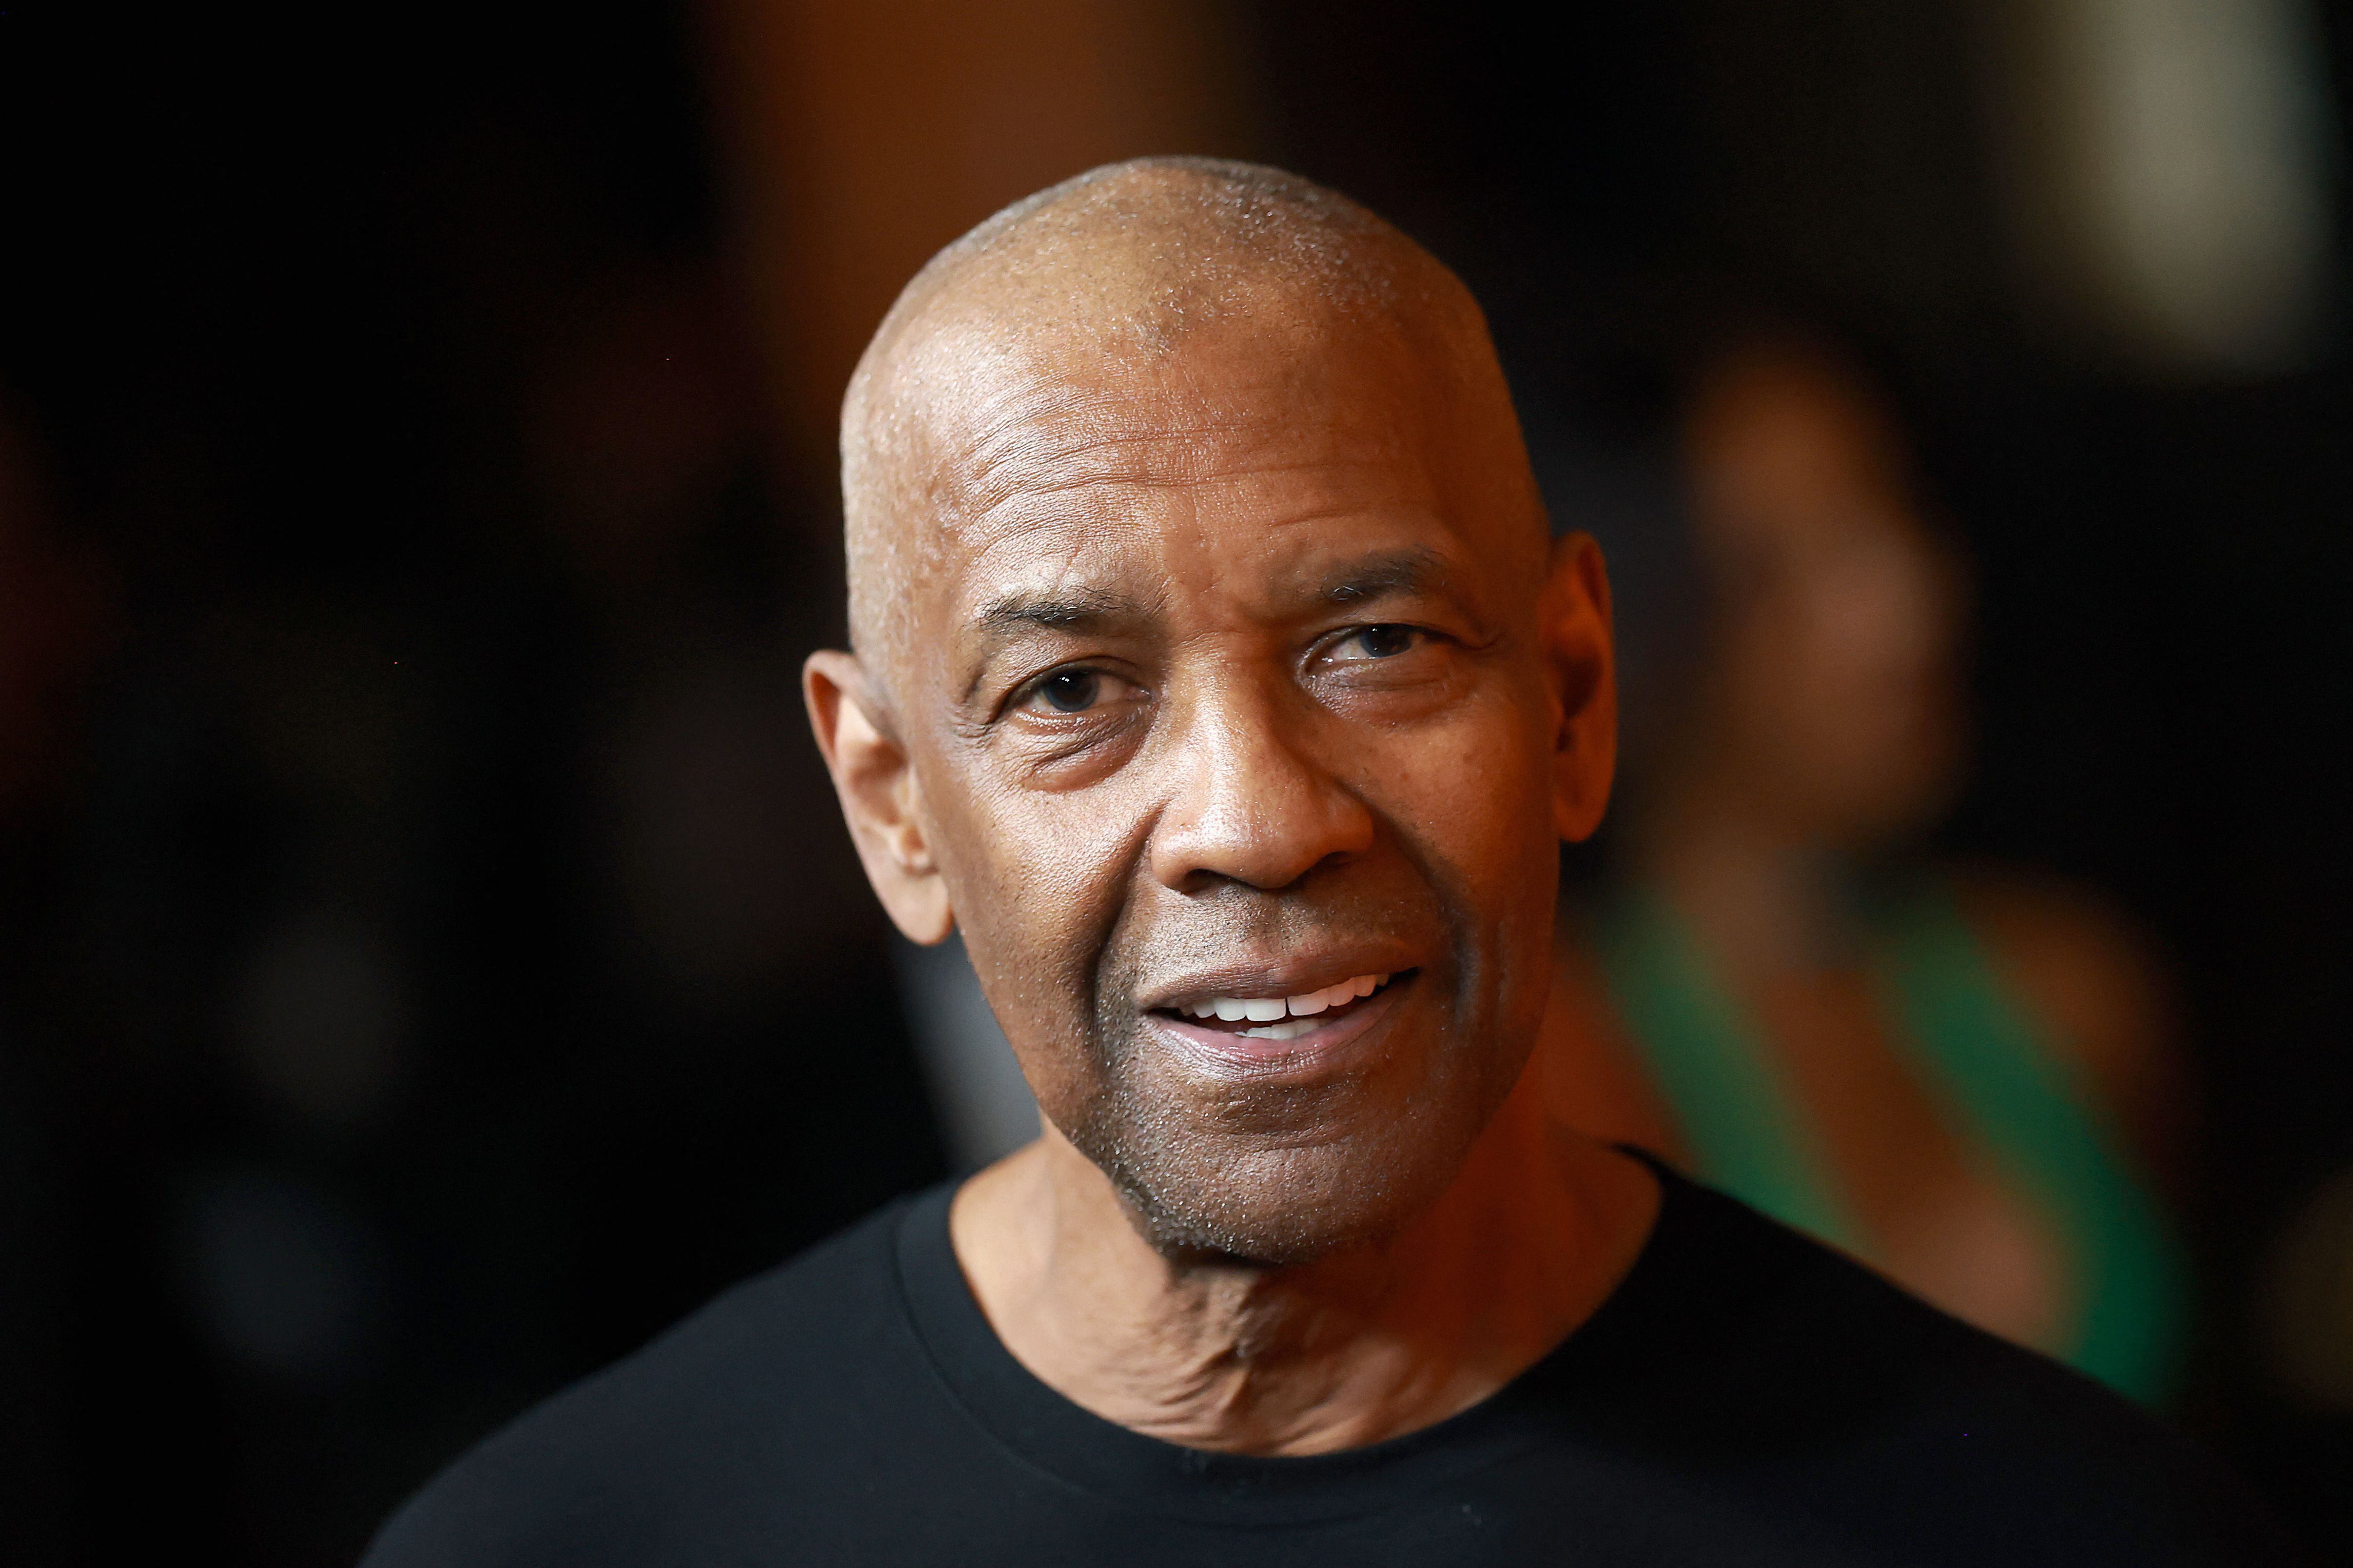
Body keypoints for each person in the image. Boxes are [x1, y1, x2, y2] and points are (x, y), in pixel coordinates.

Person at [362, 159, 2287, 1565]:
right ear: (888, 801)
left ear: (1574, 694)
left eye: (1374, 645)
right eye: (1070, 687)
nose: (1254, 813)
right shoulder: (572, 1543)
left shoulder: (2049, 1523)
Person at [1534, 339, 2187, 1403]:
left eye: (1892, 518)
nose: (1905, 605)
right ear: (1625, 628)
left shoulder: (2065, 988)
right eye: (1774, 568)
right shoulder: (1556, 1065)